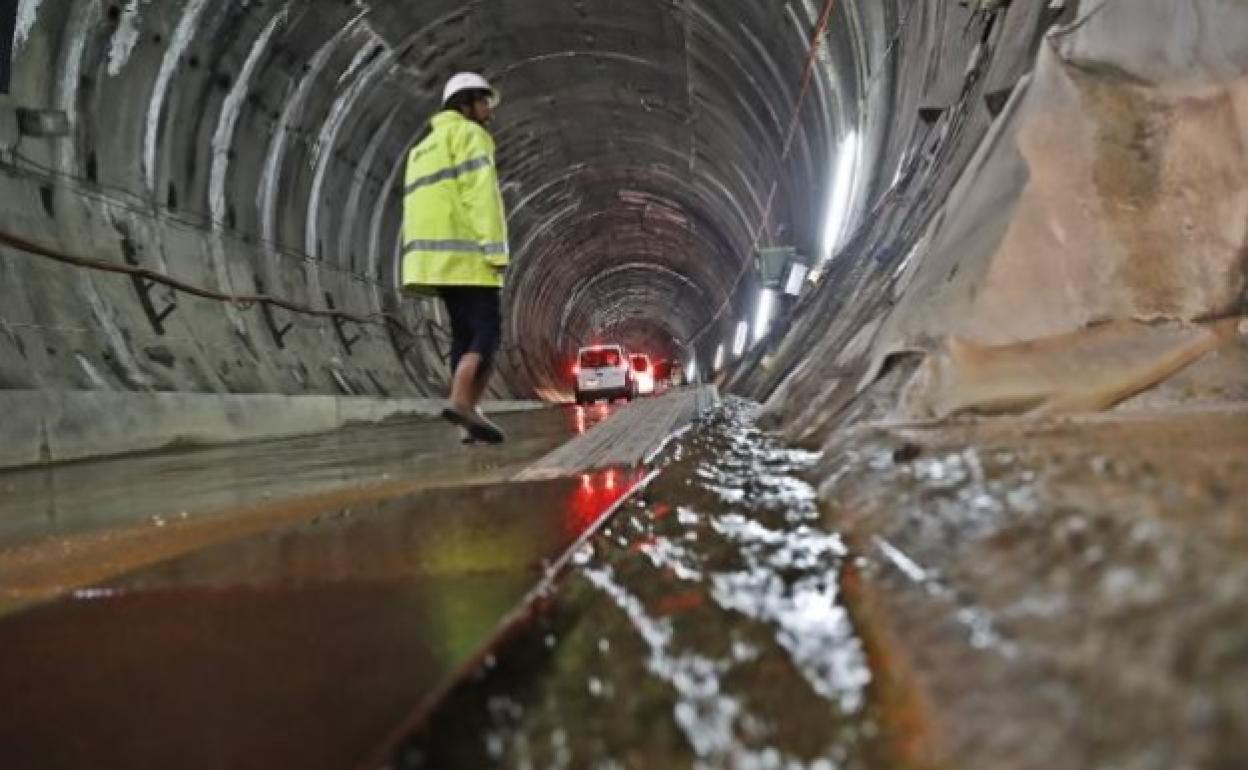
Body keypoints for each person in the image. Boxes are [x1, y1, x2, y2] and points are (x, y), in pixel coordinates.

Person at [401, 72, 509, 444]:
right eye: (483, 103)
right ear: (465, 104)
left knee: (462, 334)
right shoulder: (470, 136)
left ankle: (467, 421)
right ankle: (462, 402)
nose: (488, 113)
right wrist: (496, 250)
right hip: (469, 256)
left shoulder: (423, 148)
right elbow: (482, 197)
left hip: (435, 261)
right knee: (488, 332)